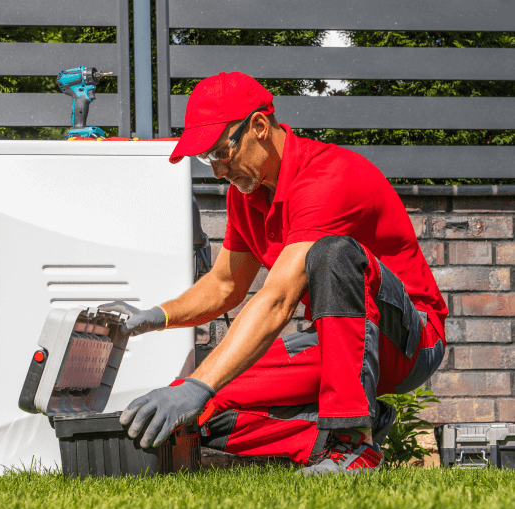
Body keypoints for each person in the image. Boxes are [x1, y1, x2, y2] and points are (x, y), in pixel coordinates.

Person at [100, 72, 447, 475]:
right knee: (198, 412)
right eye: (205, 159)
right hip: (338, 343)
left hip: (409, 339)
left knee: (332, 253)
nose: (216, 171)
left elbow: (278, 298)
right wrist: (154, 317)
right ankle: (345, 432)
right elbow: (224, 285)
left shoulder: (328, 177)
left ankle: (353, 444)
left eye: (220, 152)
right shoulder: (245, 196)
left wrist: (200, 382)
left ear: (259, 127)